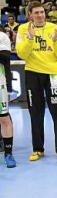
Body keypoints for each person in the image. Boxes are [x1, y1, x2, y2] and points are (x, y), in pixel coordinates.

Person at [16, 1, 57, 161]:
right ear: (30, 14)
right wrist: (30, 39)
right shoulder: (23, 29)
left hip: (53, 74)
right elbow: (21, 54)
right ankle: (38, 148)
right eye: (36, 13)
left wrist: (54, 40)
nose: (40, 15)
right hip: (32, 73)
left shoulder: (55, 28)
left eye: (42, 12)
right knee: (35, 113)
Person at [0, 29, 15, 167]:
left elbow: (5, 57)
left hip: (0, 82)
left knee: (4, 118)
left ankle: (8, 153)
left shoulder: (2, 36)